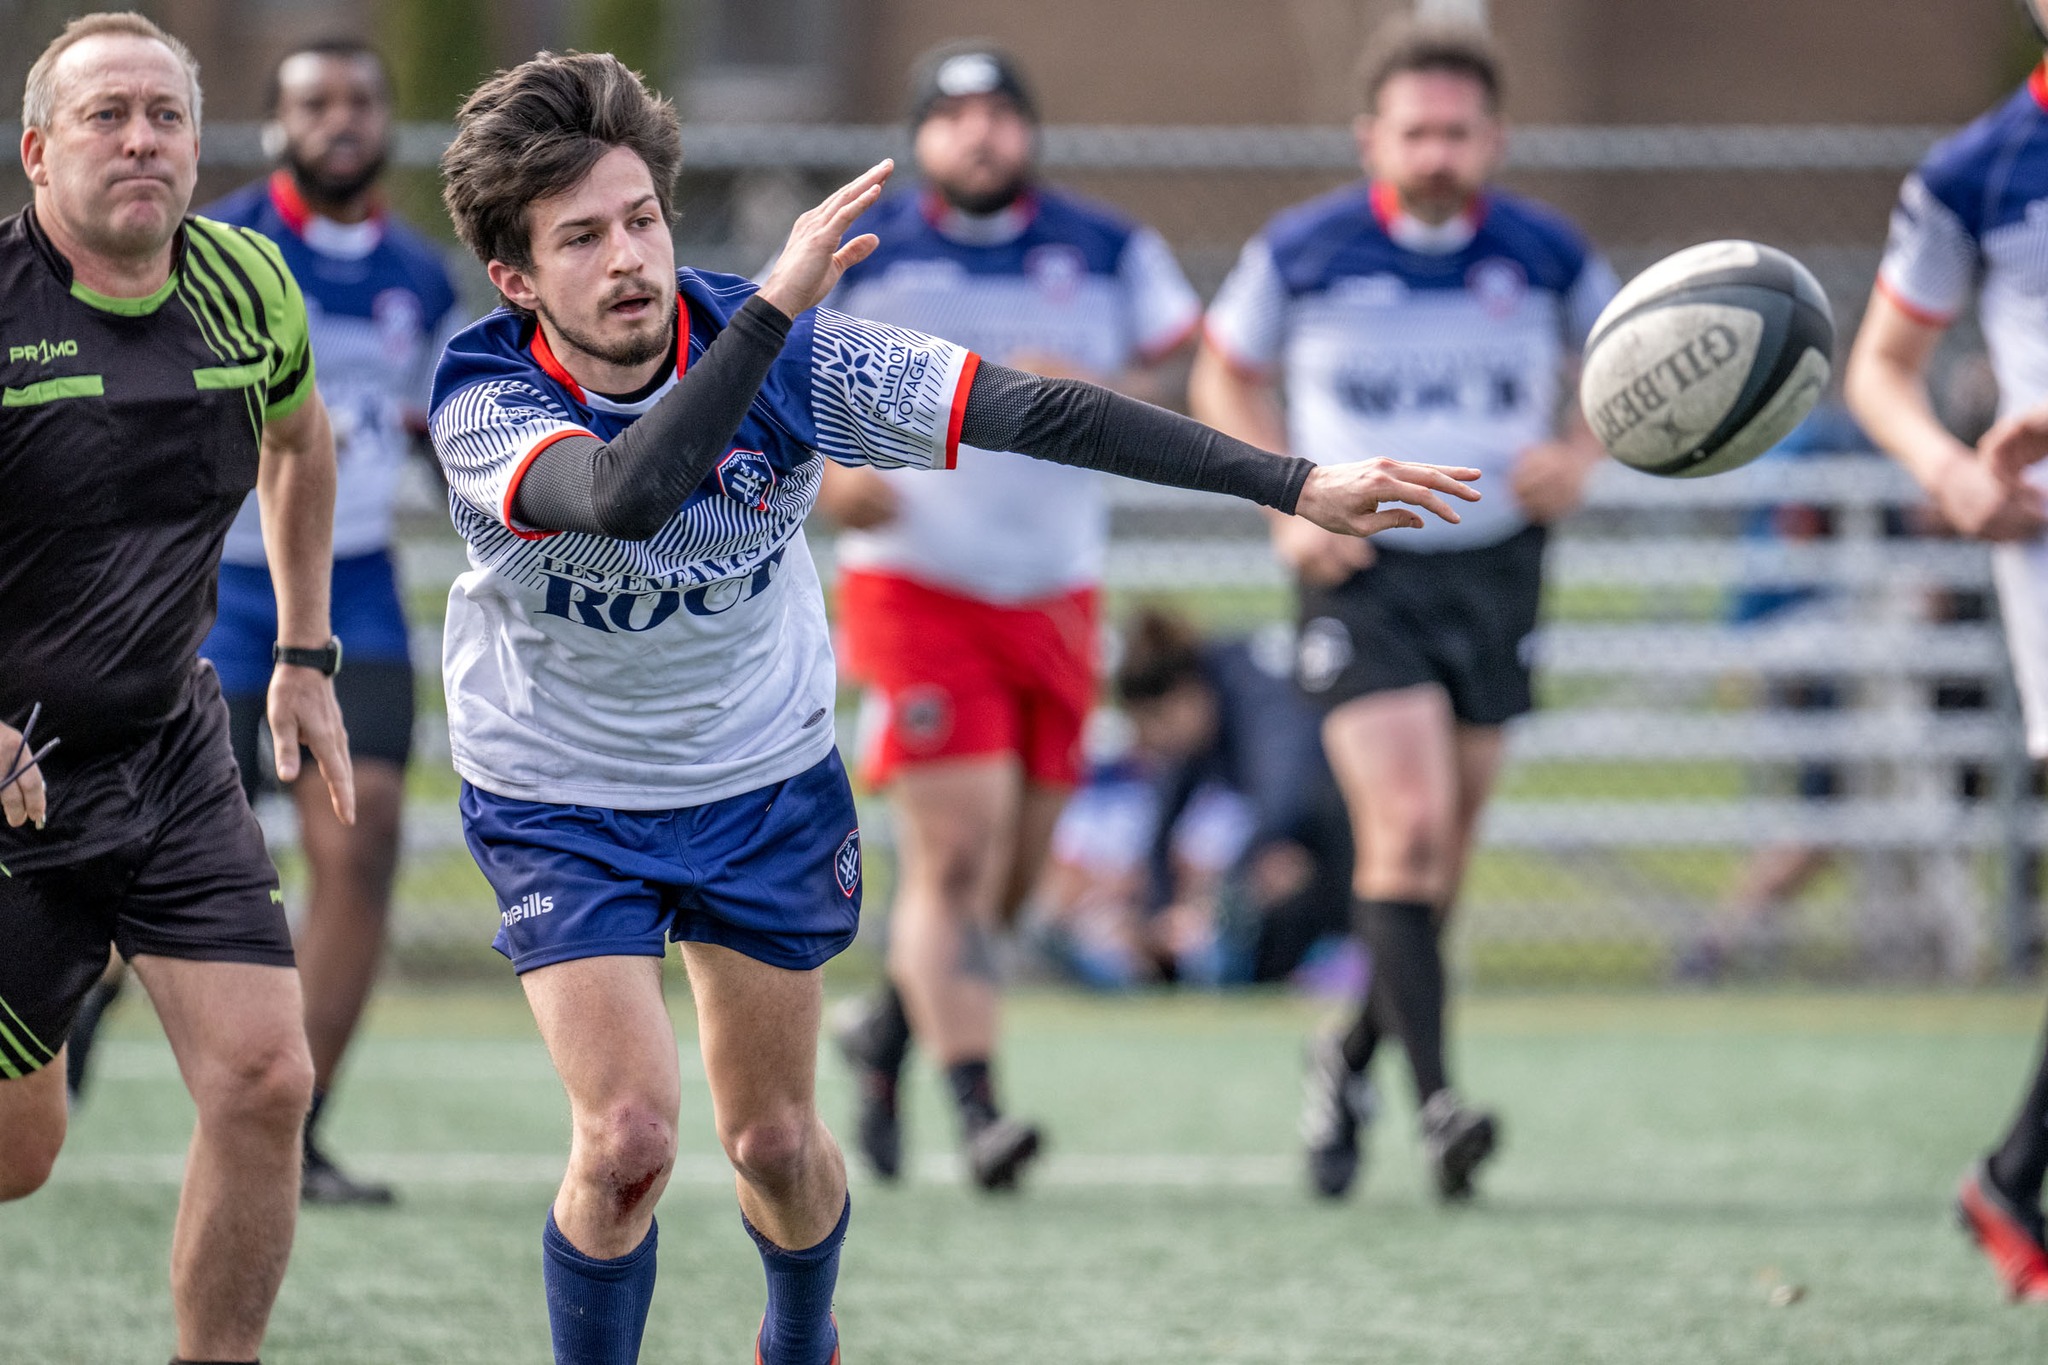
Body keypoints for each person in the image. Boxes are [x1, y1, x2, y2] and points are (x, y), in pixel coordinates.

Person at [428, 50, 1476, 1365]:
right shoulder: (487, 396)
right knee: (628, 1140)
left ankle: (800, 1345)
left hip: (754, 778)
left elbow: (1038, 412)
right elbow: (627, 494)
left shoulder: (795, 353)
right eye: (582, 238)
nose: (629, 257)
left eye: (641, 218)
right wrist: (775, 312)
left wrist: (1292, 480)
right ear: (517, 279)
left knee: (776, 1145)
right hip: (560, 792)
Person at [1189, 18, 1617, 1202]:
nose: (1436, 153)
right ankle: (1439, 1108)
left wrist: (1581, 452)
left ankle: (1344, 1061)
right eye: (1415, 132)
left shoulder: (1544, 251)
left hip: (1496, 572)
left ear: (1495, 140)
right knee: (1410, 827)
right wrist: (1284, 500)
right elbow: (1222, 369)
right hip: (1361, 575)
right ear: (1369, 138)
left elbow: (1631, 366)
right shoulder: (1305, 248)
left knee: (1440, 862)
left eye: (1457, 133)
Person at [0, 13, 351, 1364]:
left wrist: (303, 653)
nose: (140, 140)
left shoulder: (247, 283)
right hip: (14, 790)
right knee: (19, 1154)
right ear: (39, 151)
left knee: (265, 1078)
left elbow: (300, 443)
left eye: (166, 116)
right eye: (106, 115)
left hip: (168, 750)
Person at [63, 37, 463, 1207]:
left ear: (386, 120)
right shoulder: (215, 252)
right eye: (314, 102)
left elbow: (443, 439)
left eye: (360, 100)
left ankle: (295, 1132)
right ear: (274, 124)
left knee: (364, 838)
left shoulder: (422, 277)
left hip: (355, 592)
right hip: (207, 593)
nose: (340, 120)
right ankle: (73, 1016)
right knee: (145, 851)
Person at [815, 41, 1203, 1191]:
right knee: (954, 857)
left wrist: (1093, 392)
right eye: (954, 115)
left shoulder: (1106, 249)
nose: (978, 134)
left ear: (1028, 130)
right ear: (919, 137)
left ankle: (886, 1034)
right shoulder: (863, 250)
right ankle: (979, 1109)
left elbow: (1182, 377)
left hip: (1054, 591)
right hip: (916, 585)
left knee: (1012, 880)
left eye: (998, 113)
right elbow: (769, 386)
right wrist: (832, 481)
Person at [1841, 6, 2048, 1300]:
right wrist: (1949, 471)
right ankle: (2012, 1175)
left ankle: (2013, 1172)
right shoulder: (1976, 172)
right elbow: (1880, 369)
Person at [1114, 609, 1355, 986]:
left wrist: (1215, 898)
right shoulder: (1203, 706)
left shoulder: (1257, 691)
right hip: (1311, 817)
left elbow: (1285, 802)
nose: (1157, 744)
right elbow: (1161, 830)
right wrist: (1159, 916)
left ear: (1182, 697)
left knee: (1279, 866)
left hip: (1348, 814)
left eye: (1155, 725)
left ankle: (1345, 956)